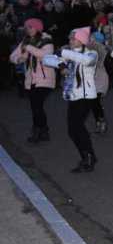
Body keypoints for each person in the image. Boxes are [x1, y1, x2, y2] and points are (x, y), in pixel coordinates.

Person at [56, 26, 100, 172]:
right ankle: (86, 156)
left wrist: (63, 53)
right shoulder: (68, 53)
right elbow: (48, 59)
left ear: (82, 40)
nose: (70, 40)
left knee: (77, 126)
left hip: (87, 95)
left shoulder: (91, 53)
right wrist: (61, 63)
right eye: (69, 38)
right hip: (73, 95)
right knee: (72, 129)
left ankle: (89, 156)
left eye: (73, 38)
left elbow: (87, 61)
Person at [9, 17, 55, 144]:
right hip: (30, 78)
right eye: (27, 28)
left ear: (38, 28)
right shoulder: (25, 42)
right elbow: (13, 56)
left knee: (36, 104)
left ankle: (36, 131)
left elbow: (45, 56)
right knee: (36, 106)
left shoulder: (47, 41)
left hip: (45, 78)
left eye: (32, 27)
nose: (29, 30)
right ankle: (44, 130)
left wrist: (28, 48)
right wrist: (18, 59)